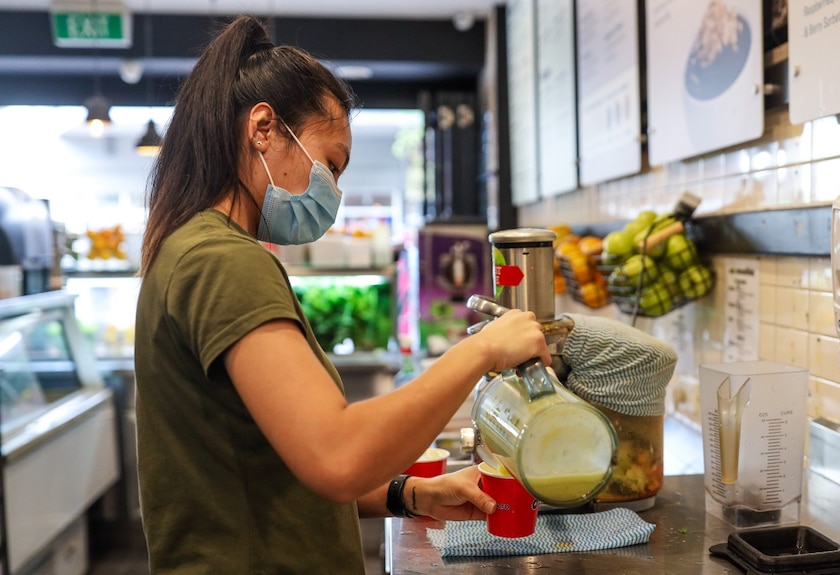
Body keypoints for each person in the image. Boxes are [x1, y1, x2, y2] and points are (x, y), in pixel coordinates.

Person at [134, 15, 551, 574]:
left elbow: (279, 465)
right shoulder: (223, 262)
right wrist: (482, 350)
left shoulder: (192, 248)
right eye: (330, 166)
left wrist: (409, 495)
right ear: (264, 129)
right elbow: (336, 454)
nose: (333, 192)